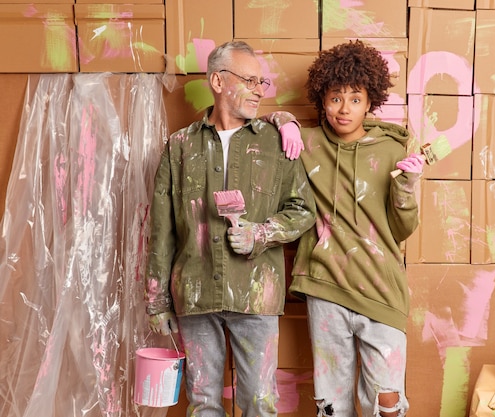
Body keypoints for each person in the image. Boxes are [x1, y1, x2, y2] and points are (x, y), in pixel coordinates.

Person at [144, 40, 316, 417]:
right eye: (250, 80)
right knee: (203, 402)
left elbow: (303, 210)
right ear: (218, 81)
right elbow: (161, 228)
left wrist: (261, 233)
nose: (259, 90)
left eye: (262, 82)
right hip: (194, 290)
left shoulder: (275, 143)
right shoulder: (179, 147)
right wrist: (156, 299)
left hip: (255, 294)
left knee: (259, 402)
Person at [288, 40, 425, 417]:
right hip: (326, 288)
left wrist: (407, 187)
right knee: (332, 405)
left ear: (370, 101)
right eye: (335, 98)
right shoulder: (307, 143)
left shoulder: (394, 151)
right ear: (322, 100)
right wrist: (281, 120)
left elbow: (403, 228)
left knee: (387, 404)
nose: (344, 108)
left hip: (381, 290)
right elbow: (260, 128)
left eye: (355, 98)